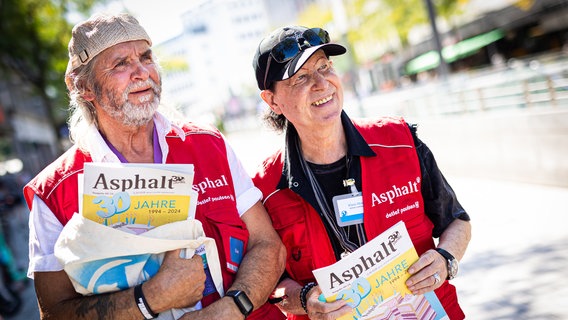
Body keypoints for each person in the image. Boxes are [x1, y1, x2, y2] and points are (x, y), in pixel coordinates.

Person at [22, 13, 286, 320]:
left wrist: (233, 306)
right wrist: (150, 298)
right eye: (121, 63)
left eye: (146, 58)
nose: (141, 72)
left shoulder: (207, 145)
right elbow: (55, 313)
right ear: (83, 87)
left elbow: (267, 244)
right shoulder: (55, 191)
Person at [251, 26, 472, 320]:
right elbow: (270, 284)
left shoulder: (400, 140)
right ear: (272, 101)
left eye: (324, 67)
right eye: (301, 77)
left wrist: (446, 259)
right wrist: (305, 300)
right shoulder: (263, 190)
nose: (321, 83)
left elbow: (457, 220)